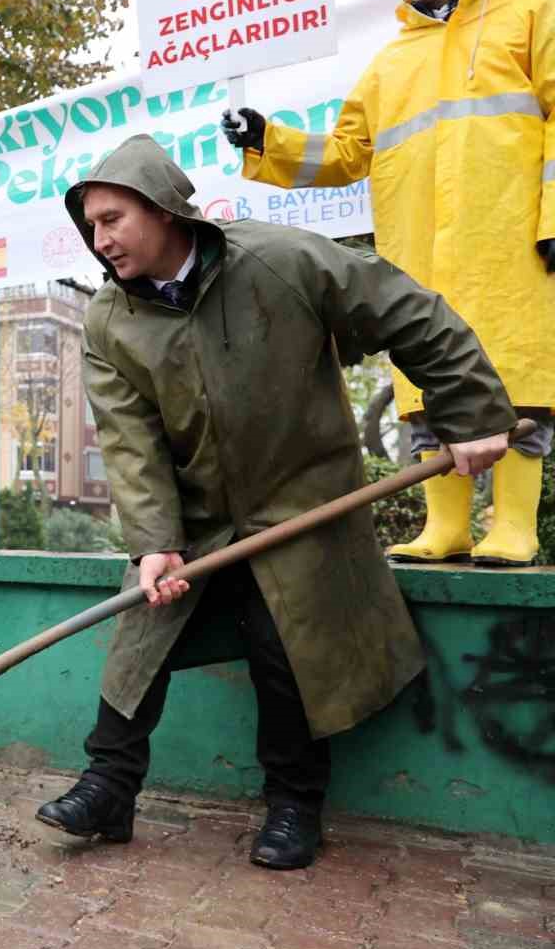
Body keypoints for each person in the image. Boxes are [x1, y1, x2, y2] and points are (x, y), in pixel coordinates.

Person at [36, 135, 514, 870]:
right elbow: (130, 442)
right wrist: (154, 541)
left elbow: (409, 312)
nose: (100, 241)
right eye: (91, 227)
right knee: (140, 624)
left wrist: (472, 413)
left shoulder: (280, 261)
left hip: (303, 500)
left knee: (282, 640)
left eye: (112, 220)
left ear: (164, 210)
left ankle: (295, 803)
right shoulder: (110, 321)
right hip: (198, 518)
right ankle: (108, 787)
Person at [222, 0, 555, 566]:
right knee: (429, 390)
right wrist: (267, 139)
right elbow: (346, 155)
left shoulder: (534, 12)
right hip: (419, 256)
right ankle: (447, 526)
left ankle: (515, 526)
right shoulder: (390, 63)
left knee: (518, 386)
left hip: (509, 245)